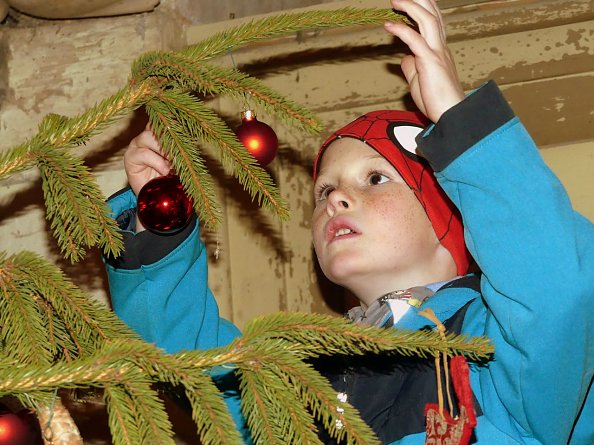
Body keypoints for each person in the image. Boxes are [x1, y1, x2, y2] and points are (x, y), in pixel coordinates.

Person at [103, 0, 594, 443]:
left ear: (449, 218)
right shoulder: (303, 379)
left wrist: (456, 119)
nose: (336, 196)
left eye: (376, 178)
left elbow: (555, 285)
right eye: (323, 191)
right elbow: (193, 364)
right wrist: (157, 223)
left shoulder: (492, 347)